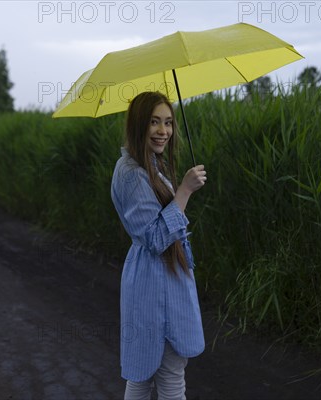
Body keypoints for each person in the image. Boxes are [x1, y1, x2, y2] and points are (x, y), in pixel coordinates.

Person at [110, 91, 207, 399]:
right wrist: (185, 191)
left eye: (168, 122)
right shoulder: (131, 174)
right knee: (166, 376)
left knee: (146, 375)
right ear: (139, 124)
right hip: (156, 283)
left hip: (158, 278)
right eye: (154, 122)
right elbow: (155, 238)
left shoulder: (148, 164)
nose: (163, 131)